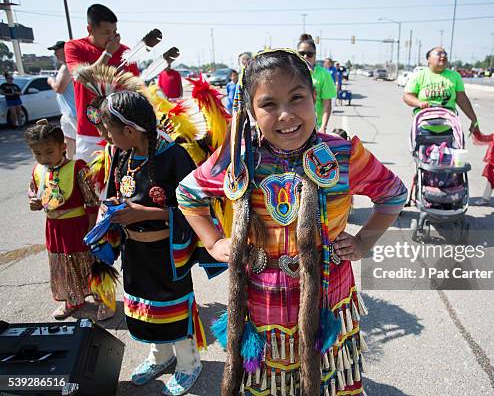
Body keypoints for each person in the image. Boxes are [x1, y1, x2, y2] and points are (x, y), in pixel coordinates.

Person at [177, 49, 408, 396]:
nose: (286, 115)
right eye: (269, 104)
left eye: (297, 98)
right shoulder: (238, 159)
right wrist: (213, 242)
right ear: (252, 112)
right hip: (260, 302)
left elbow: (392, 194)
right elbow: (188, 194)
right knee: (269, 383)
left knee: (329, 378)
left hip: (327, 297)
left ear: (314, 98)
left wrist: (364, 242)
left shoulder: (342, 155)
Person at [99, 91, 206, 396]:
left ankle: (188, 363)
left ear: (130, 131)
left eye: (110, 130)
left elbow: (195, 209)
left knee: (173, 307)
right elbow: (120, 191)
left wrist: (144, 212)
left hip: (167, 253)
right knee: (145, 305)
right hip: (135, 250)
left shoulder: (174, 156)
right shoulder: (121, 154)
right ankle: (160, 356)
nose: (107, 136)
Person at [25, 119, 113, 320]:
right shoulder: (38, 170)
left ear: (63, 147)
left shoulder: (77, 168)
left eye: (49, 152)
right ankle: (72, 299)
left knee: (88, 262)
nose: (44, 158)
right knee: (62, 264)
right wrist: (33, 202)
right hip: (54, 228)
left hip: (78, 226)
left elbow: (91, 202)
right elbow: (33, 191)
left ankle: (104, 300)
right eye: (37, 153)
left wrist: (91, 231)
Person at [64, 4, 139, 162]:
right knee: (91, 183)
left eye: (114, 32)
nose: (112, 37)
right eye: (106, 32)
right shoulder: (74, 47)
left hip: (122, 131)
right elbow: (82, 77)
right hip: (89, 133)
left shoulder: (126, 51)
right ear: (90, 29)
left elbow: (136, 89)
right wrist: (108, 53)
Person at [402, 46, 478, 128]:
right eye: (439, 53)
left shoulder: (455, 76)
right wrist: (419, 103)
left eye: (445, 54)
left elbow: (462, 99)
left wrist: (474, 120)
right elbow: (407, 96)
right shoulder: (419, 75)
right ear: (429, 59)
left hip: (448, 126)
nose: (443, 56)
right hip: (424, 127)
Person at [297, 34, 336, 133]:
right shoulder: (290, 74)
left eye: (309, 54)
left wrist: (323, 127)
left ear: (315, 55)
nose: (305, 56)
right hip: (294, 125)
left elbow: (327, 104)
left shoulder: (324, 74)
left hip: (314, 127)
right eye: (301, 53)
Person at [47, 41, 77, 159]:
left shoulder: (67, 67)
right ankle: (68, 162)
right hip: (67, 112)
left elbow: (59, 88)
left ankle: (83, 165)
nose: (55, 54)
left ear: (65, 50)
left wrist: (50, 80)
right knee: (69, 139)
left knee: (79, 140)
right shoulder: (66, 66)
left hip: (73, 112)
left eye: (57, 51)